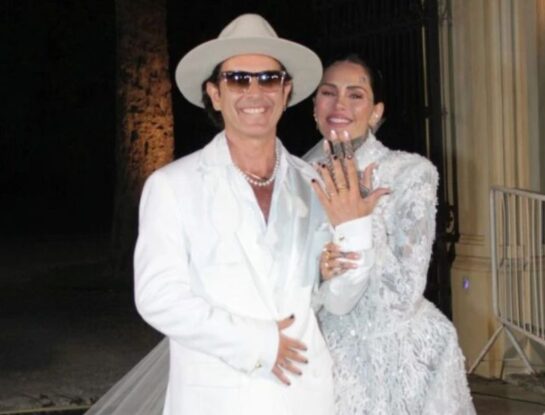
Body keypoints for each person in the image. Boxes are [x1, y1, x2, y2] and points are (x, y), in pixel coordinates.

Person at [86, 13, 334, 415]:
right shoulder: (173, 186)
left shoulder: (315, 182)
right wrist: (258, 343)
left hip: (305, 397)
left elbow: (331, 295)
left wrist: (353, 239)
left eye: (268, 78)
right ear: (215, 94)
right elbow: (158, 297)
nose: (255, 91)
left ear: (286, 90)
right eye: (238, 79)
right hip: (216, 398)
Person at [305, 55, 476, 414]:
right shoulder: (297, 175)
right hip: (319, 353)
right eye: (328, 93)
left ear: (376, 112)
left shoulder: (410, 172)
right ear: (315, 106)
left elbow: (403, 294)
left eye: (356, 95)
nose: (340, 104)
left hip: (398, 361)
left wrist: (358, 222)